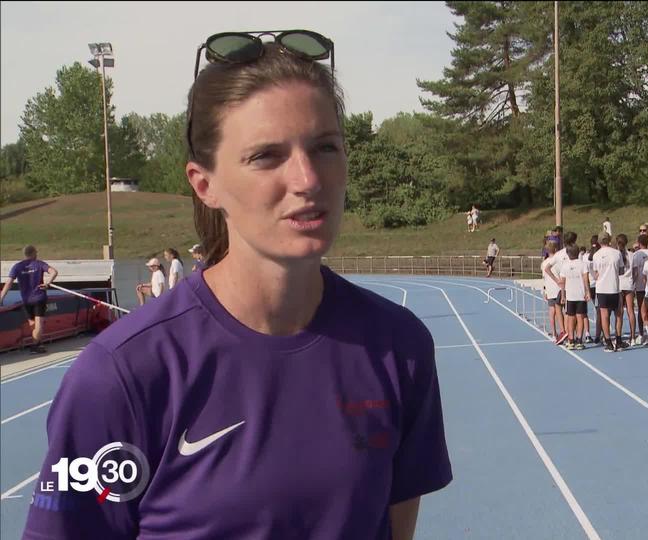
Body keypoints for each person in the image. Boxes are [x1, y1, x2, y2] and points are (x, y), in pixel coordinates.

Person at [24, 34, 451, 540]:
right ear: (206, 185)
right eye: (267, 156)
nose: (307, 178)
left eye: (325, 147)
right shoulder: (120, 376)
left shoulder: (398, 346)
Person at [0, 245, 58, 354]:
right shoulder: (39, 264)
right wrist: (47, 283)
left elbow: (8, 283)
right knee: (38, 324)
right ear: (34, 253)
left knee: (33, 324)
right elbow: (54, 272)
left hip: (26, 300)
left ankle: (38, 344)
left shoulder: (17, 266)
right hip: (39, 297)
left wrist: (1, 297)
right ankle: (36, 345)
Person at [592, 233, 624, 352]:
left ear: (599, 242)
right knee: (619, 314)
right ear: (609, 240)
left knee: (605, 316)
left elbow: (596, 273)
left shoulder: (596, 255)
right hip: (614, 288)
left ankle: (609, 342)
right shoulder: (617, 253)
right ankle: (619, 340)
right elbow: (621, 270)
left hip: (602, 289)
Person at [557, 244, 590, 350]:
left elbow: (562, 283)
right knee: (580, 318)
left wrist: (563, 295)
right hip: (580, 295)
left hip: (571, 296)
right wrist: (587, 291)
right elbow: (586, 280)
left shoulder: (566, 266)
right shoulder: (582, 264)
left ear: (568, 254)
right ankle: (578, 339)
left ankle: (571, 340)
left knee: (571, 318)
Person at [542, 241, 566, 344]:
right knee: (563, 311)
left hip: (550, 289)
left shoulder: (544, 263)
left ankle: (554, 333)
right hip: (559, 289)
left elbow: (543, 278)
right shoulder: (558, 260)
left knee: (552, 311)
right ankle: (564, 331)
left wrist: (545, 291)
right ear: (556, 249)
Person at [615, 234, 636, 350]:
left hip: (619, 284)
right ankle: (633, 337)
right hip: (629, 284)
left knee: (619, 313)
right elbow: (635, 271)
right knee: (630, 311)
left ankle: (619, 337)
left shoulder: (616, 255)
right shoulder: (632, 255)